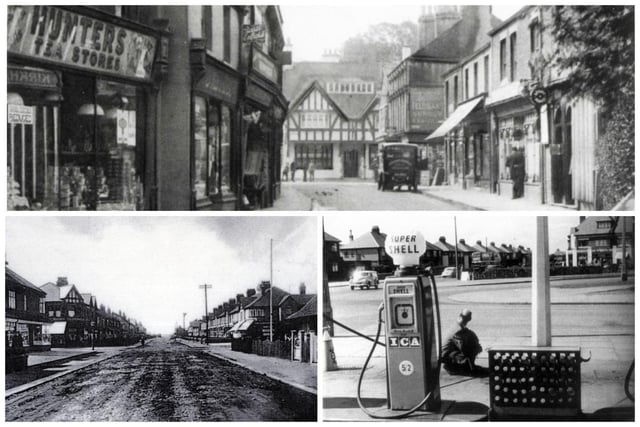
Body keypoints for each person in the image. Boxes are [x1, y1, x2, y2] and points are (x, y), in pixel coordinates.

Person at [441, 309, 486, 376]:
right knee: (473, 348)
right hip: (447, 355)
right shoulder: (458, 329)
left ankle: (464, 366)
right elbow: (463, 348)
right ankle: (456, 367)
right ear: (469, 318)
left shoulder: (458, 324)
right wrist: (475, 348)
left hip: (448, 353)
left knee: (472, 344)